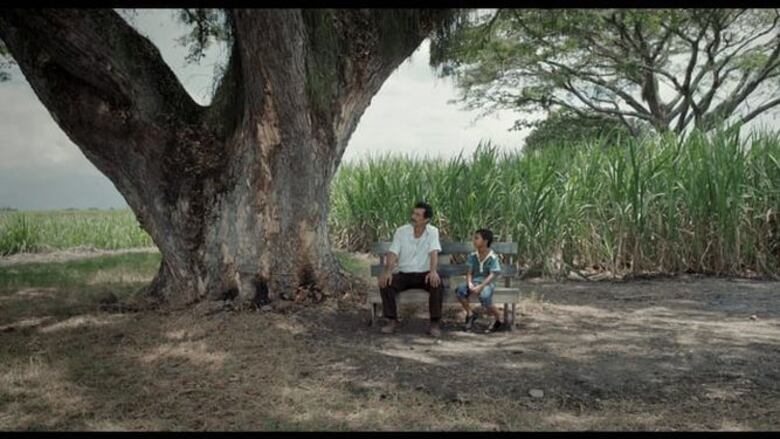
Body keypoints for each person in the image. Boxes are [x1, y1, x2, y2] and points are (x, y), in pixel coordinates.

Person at [378, 201, 443, 337]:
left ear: (426, 219)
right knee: (386, 283)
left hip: (424, 274)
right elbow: (393, 253)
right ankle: (392, 321)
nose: (413, 217)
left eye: (418, 215)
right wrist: (388, 272)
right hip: (405, 274)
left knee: (436, 283)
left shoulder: (433, 232)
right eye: (414, 213)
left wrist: (433, 271)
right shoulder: (401, 231)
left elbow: (434, 252)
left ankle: (434, 323)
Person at [455, 228, 503, 333]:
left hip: (487, 284)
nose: (474, 240)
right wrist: (469, 283)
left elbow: (492, 274)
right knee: (460, 290)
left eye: (477, 238)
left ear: (485, 241)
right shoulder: (472, 256)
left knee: (485, 296)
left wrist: (481, 286)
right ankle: (470, 314)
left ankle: (499, 317)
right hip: (474, 281)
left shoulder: (492, 257)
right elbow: (469, 272)